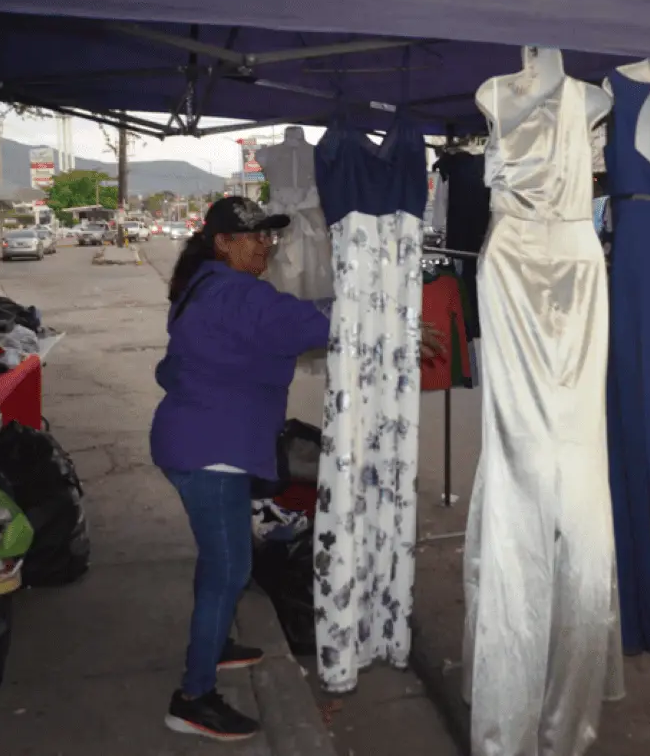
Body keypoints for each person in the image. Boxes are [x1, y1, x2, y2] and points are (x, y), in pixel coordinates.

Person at [151, 196, 444, 741]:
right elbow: (311, 322)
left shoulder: (204, 287)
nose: (266, 244)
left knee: (222, 559)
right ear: (222, 242)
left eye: (269, 235)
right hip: (209, 451)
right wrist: (396, 320)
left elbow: (300, 314)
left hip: (201, 440)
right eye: (254, 236)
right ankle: (192, 698)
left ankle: (215, 646)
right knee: (229, 569)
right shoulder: (234, 293)